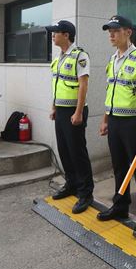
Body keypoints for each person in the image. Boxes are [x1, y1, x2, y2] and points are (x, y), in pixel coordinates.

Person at [97, 15, 136, 238]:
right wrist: (105, 119)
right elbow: (110, 91)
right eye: (109, 31)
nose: (111, 34)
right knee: (119, 167)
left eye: (115, 30)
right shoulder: (113, 60)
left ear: (128, 32)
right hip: (114, 121)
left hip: (134, 123)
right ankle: (120, 206)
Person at [46, 20, 94, 214]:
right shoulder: (58, 58)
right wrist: (54, 107)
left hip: (75, 111)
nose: (52, 35)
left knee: (77, 152)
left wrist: (78, 112)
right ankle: (71, 184)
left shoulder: (79, 56)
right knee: (64, 150)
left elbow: (83, 85)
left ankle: (86, 193)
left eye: (55, 32)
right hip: (61, 110)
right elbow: (57, 85)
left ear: (66, 35)